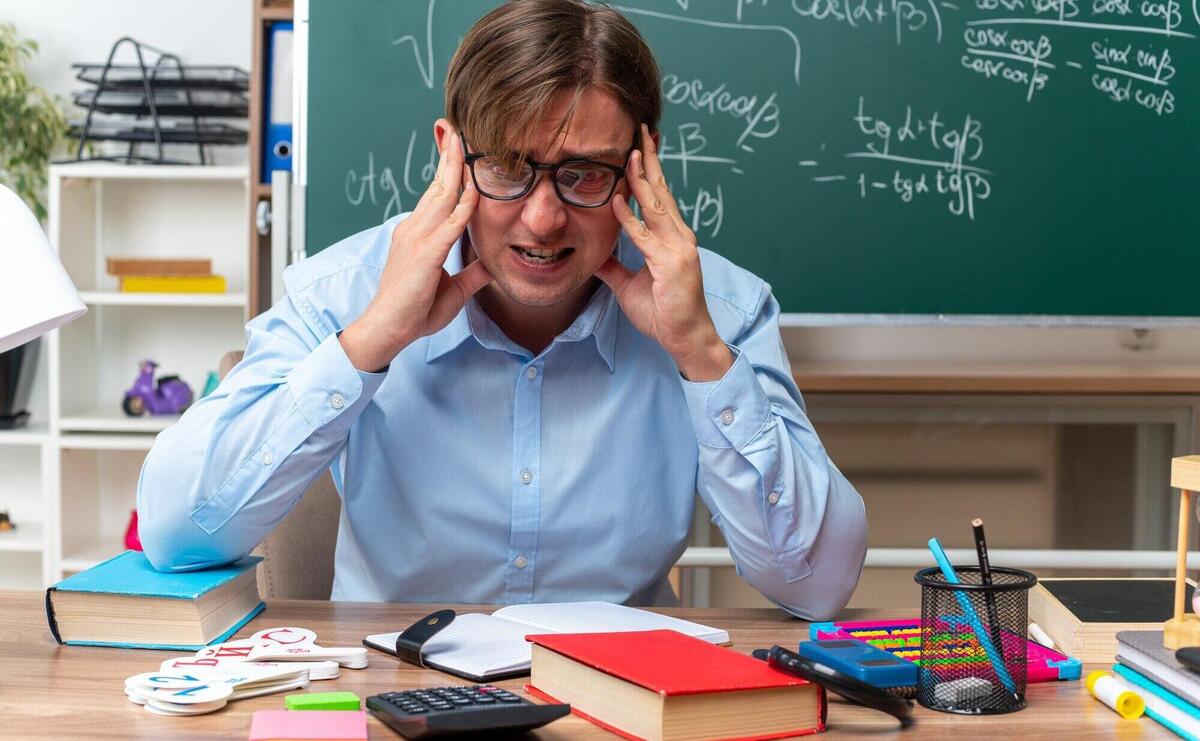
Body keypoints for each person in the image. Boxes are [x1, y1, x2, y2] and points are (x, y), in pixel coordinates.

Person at [136, 0, 867, 619]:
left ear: (643, 167)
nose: (543, 219)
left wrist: (703, 357)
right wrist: (368, 343)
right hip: (391, 694)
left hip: (616, 704)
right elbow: (174, 531)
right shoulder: (345, 290)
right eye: (509, 169)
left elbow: (820, 584)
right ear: (451, 153)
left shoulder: (720, 311)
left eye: (584, 174)